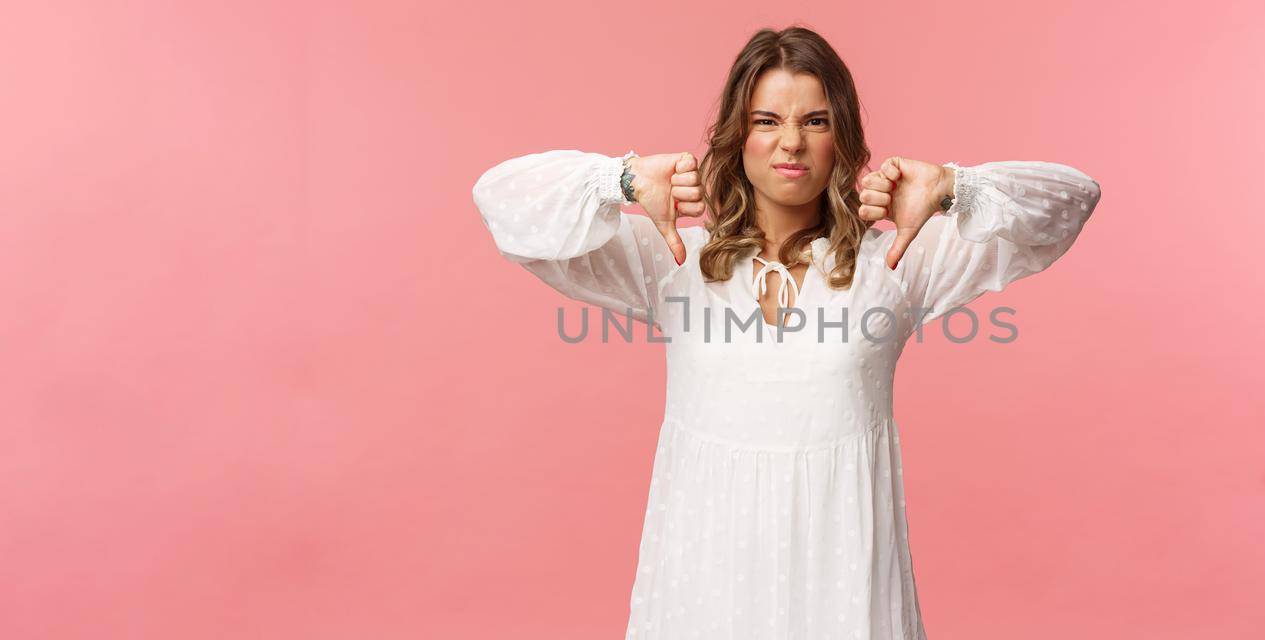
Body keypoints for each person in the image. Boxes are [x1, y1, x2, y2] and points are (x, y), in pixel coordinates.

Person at [470, 25, 1101, 640]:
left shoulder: (897, 264)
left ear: (842, 138)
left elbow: (1072, 200)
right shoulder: (671, 261)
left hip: (846, 582)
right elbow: (501, 201)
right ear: (737, 137)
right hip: (703, 585)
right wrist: (624, 181)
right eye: (767, 121)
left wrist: (953, 189)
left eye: (815, 121)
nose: (790, 143)